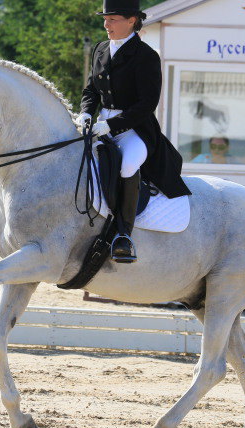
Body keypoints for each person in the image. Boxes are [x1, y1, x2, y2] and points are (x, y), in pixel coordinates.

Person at [75, 0, 191, 263]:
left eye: (113, 19)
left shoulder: (146, 56)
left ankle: (123, 235)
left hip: (134, 129)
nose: (106, 25)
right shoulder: (101, 49)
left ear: (131, 20)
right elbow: (91, 90)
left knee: (127, 165)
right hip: (100, 124)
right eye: (105, 19)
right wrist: (85, 113)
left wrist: (113, 125)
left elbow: (147, 104)